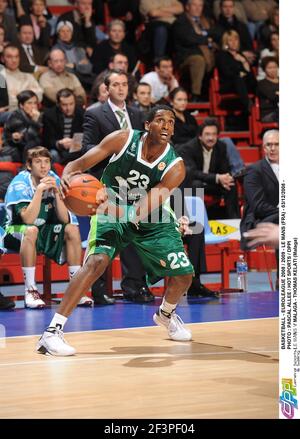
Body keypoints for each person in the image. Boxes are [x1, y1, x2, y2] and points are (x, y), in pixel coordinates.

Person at [36, 106, 195, 356]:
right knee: (96, 261)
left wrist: (111, 208)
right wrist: (67, 179)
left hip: (148, 214)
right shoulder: (122, 139)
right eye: (160, 121)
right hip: (109, 202)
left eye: (171, 122)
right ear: (147, 125)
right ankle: (51, 333)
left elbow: (139, 212)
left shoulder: (175, 167)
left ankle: (165, 314)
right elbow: (77, 165)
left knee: (184, 275)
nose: (166, 126)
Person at [83, 69, 154, 305]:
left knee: (135, 232)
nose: (121, 88)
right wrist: (116, 155)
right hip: (106, 183)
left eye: (124, 84)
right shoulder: (95, 114)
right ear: (107, 88)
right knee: (106, 236)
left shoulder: (136, 113)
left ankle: (134, 286)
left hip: (133, 184)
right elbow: (88, 148)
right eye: (116, 84)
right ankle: (99, 290)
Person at [3, 146, 93, 309]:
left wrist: (58, 194)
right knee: (31, 230)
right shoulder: (20, 184)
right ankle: (30, 290)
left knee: (72, 229)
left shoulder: (53, 178)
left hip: (43, 229)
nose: (43, 166)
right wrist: (39, 192)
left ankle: (75, 289)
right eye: (38, 162)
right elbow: (27, 219)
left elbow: (65, 219)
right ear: (29, 166)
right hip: (13, 231)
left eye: (47, 162)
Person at [178, 117, 240, 219]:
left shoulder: (221, 147)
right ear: (200, 136)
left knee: (231, 185)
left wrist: (226, 178)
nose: (211, 138)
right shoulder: (188, 148)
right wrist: (217, 177)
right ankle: (195, 221)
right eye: (207, 134)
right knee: (196, 184)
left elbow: (224, 169)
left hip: (211, 184)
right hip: (193, 183)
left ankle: (234, 220)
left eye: (214, 134)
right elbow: (192, 173)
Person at [42, 88, 85, 164]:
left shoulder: (82, 113)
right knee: (53, 154)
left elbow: (85, 134)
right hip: (57, 149)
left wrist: (74, 142)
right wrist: (59, 143)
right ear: (58, 104)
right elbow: (46, 140)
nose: (68, 108)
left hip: (76, 148)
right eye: (64, 105)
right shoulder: (49, 115)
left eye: (71, 104)